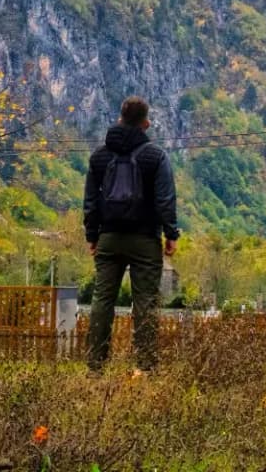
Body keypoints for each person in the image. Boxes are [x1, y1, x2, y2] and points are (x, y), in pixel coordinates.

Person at [83, 95, 179, 371]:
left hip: (109, 237)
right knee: (146, 303)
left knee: (102, 300)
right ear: (146, 124)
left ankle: (95, 366)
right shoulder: (155, 156)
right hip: (145, 239)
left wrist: (92, 236)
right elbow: (165, 200)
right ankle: (144, 367)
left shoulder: (99, 157)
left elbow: (90, 201)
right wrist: (171, 234)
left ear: (119, 119)